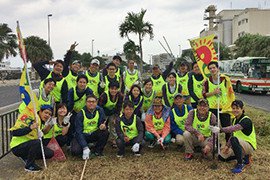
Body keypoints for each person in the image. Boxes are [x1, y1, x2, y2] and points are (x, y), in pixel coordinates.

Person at [214, 100, 257, 174]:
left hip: (249, 145)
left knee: (234, 140)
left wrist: (221, 130)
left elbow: (234, 128)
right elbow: (232, 135)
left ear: (242, 109)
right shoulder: (234, 119)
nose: (235, 110)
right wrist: (227, 146)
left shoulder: (246, 120)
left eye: (237, 108)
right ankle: (244, 157)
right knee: (221, 157)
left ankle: (240, 164)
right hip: (238, 144)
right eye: (233, 108)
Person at [10, 105, 54, 172]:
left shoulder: (40, 122)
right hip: (17, 146)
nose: (47, 115)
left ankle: (27, 157)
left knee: (49, 153)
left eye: (49, 114)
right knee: (36, 142)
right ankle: (29, 166)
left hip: (29, 145)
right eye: (46, 112)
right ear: (40, 112)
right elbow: (14, 132)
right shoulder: (31, 118)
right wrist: (30, 128)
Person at [203, 61, 235, 142]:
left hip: (224, 108)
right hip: (212, 108)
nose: (212, 70)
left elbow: (231, 93)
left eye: (214, 67)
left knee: (227, 128)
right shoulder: (207, 81)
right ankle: (215, 145)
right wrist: (213, 93)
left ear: (217, 68)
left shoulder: (225, 79)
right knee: (214, 128)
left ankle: (229, 144)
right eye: (210, 68)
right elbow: (204, 94)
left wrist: (232, 105)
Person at [71, 94, 109, 159]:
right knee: (75, 152)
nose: (91, 103)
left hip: (94, 133)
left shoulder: (100, 111)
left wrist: (103, 126)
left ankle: (97, 151)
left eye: (93, 102)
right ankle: (87, 146)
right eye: (89, 101)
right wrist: (84, 147)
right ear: (86, 103)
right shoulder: (80, 114)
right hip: (83, 135)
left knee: (105, 132)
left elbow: (102, 123)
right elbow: (78, 132)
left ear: (96, 102)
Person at [67, 74, 93, 145]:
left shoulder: (89, 91)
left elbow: (91, 103)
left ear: (86, 83)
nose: (82, 84)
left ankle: (87, 140)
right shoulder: (72, 91)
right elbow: (70, 103)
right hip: (74, 111)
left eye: (84, 82)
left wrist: (83, 112)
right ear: (77, 82)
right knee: (71, 125)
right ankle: (70, 142)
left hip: (85, 111)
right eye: (80, 82)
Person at [98, 82, 124, 146]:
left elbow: (119, 107)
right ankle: (100, 139)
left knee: (114, 123)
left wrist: (116, 116)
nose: (114, 91)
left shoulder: (120, 95)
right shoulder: (104, 95)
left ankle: (114, 139)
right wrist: (103, 118)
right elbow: (99, 107)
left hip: (113, 112)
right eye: (112, 89)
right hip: (103, 112)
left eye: (115, 89)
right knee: (103, 125)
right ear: (109, 89)